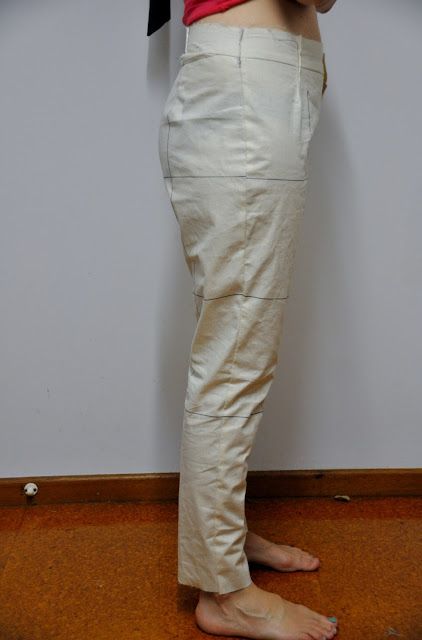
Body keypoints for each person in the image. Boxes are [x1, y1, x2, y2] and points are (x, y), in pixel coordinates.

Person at [158, 1, 339, 638]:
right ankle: (224, 593)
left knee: (234, 344)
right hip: (248, 88)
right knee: (235, 356)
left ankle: (223, 543)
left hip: (254, 82)